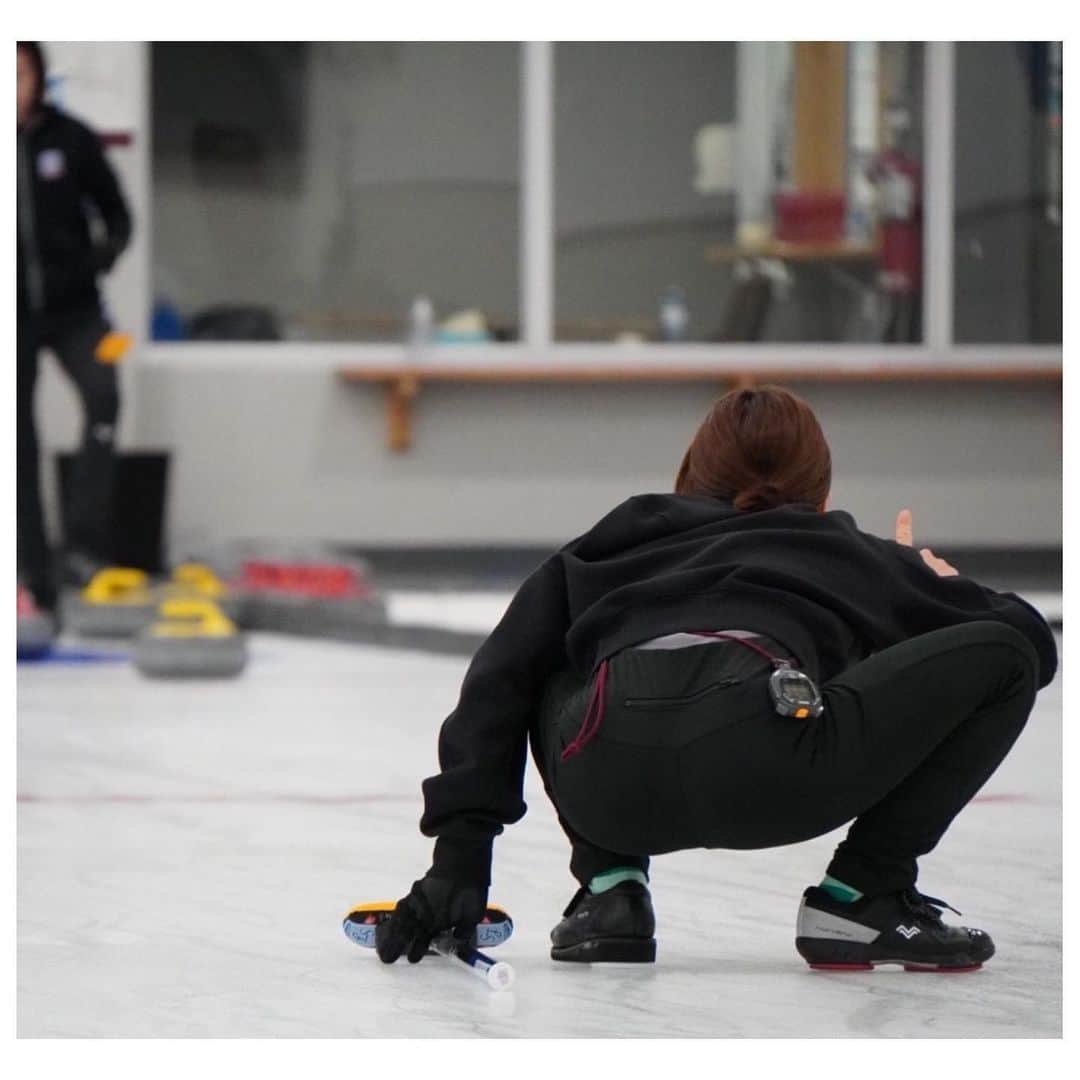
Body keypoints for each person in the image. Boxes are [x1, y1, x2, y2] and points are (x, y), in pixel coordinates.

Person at [375, 385, 1057, 972]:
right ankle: (861, 896)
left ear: (690, 474)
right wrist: (939, 588)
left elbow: (497, 681)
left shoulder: (605, 546)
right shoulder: (845, 551)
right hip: (772, 772)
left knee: (550, 660)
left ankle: (611, 893)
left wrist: (459, 860)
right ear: (819, 486)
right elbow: (1030, 645)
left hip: (609, 783)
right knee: (1000, 657)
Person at [17, 41, 133, 613]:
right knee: (17, 443)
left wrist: (100, 257)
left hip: (76, 311)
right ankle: (31, 573)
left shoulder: (70, 138)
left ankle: (84, 547)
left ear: (37, 77)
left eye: (19, 74)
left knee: (104, 397)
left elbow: (117, 213)